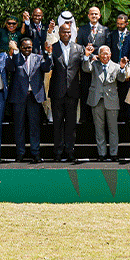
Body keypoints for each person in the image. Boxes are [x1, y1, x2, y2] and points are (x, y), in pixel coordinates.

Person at [47, 23, 85, 162]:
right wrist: (48, 54)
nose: (66, 34)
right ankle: (57, 152)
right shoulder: (53, 47)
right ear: (59, 33)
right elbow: (46, 67)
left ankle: (70, 151)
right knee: (57, 125)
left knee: (71, 125)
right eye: (63, 32)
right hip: (57, 92)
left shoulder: (79, 48)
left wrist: (87, 57)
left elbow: (85, 68)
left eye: (68, 32)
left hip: (72, 92)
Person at [83, 44, 122, 162]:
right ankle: (102, 154)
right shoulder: (94, 64)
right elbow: (86, 68)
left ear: (110, 54)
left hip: (111, 100)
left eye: (107, 53)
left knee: (113, 129)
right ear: (99, 55)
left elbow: (121, 78)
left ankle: (114, 153)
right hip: (97, 100)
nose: (105, 56)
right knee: (99, 128)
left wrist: (123, 68)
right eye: (102, 53)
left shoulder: (115, 66)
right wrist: (86, 56)